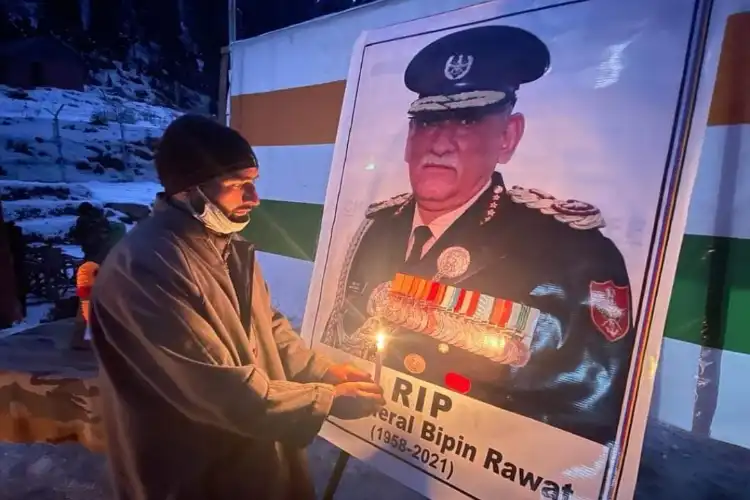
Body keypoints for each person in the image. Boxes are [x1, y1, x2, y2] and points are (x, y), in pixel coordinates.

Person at [321, 25, 635, 446]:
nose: (440, 144)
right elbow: (347, 333)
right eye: (428, 121)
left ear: (507, 136)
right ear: (410, 138)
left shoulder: (574, 253)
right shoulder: (378, 229)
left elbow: (586, 415)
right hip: (381, 438)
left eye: (467, 120)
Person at [90, 114, 385, 500]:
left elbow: (267, 326)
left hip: (245, 454)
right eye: (236, 185)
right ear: (188, 190)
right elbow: (216, 389)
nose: (254, 199)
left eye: (253, 183)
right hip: (194, 468)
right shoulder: (148, 266)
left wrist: (323, 371)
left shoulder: (223, 246)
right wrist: (325, 399)